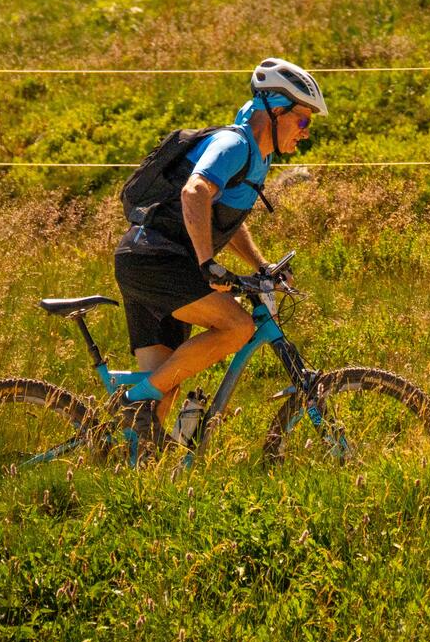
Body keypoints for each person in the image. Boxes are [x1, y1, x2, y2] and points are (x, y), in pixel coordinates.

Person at [111, 58, 326, 445]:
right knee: (238, 327)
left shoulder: (260, 158)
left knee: (164, 384)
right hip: (154, 259)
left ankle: (130, 469)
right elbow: (195, 192)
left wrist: (261, 266)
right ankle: (134, 403)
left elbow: (223, 217)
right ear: (276, 112)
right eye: (304, 120)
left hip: (152, 260)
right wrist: (209, 264)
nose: (306, 133)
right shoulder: (232, 144)